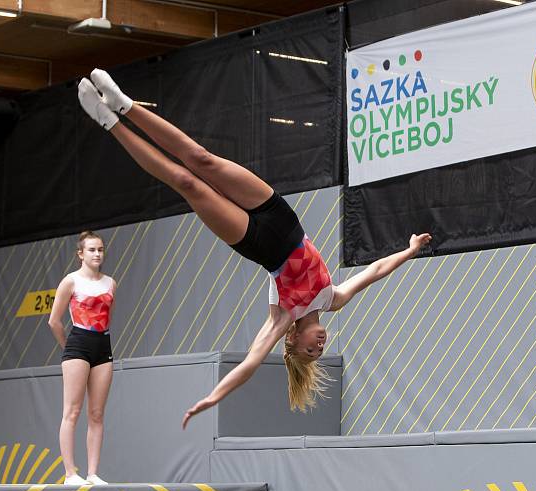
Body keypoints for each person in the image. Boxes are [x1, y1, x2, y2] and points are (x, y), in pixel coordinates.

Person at [76, 69, 431, 429]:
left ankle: (109, 122)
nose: (319, 346)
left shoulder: (282, 319)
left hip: (255, 242)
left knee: (187, 183)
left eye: (310, 350)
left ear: (292, 341)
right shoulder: (333, 298)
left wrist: (213, 397)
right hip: (279, 216)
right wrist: (409, 250)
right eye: (320, 351)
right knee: (202, 159)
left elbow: (250, 363)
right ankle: (124, 104)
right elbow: (375, 271)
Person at [48, 231, 115, 485]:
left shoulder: (110, 283)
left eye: (100, 249)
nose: (97, 254)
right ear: (80, 254)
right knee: (72, 411)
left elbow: (108, 316)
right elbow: (54, 321)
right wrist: (69, 348)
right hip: (78, 344)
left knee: (96, 413)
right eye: (91, 250)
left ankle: (93, 473)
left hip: (103, 345)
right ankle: (70, 474)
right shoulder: (71, 282)